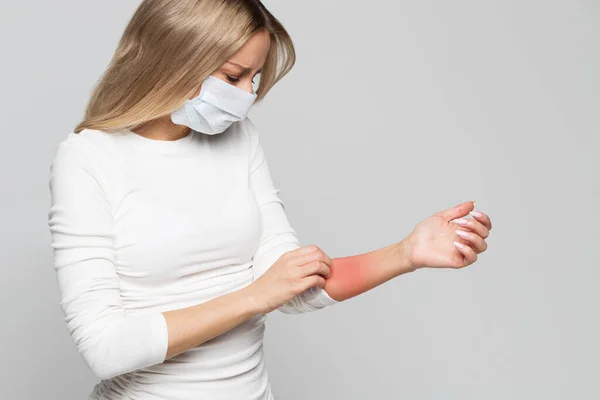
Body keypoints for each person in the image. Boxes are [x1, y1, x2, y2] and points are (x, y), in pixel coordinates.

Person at [47, 1, 493, 399]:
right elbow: (106, 349)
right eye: (232, 76)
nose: (247, 97)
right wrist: (255, 295)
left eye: (254, 77)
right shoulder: (88, 157)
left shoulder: (238, 138)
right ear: (173, 59)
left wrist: (405, 253)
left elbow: (291, 287)